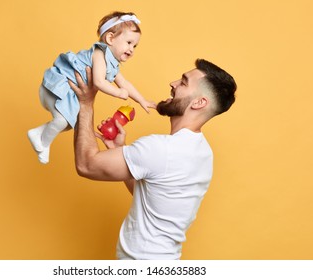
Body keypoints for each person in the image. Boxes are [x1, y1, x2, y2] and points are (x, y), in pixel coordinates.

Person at [70, 58, 237, 260]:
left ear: (199, 102)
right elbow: (155, 198)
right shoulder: (202, 153)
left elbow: (86, 165)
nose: (173, 84)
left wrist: (85, 105)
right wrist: (121, 150)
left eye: (183, 82)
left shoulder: (161, 148)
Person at [28, 11, 155, 164]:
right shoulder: (99, 54)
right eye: (129, 43)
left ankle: (38, 135)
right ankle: (43, 143)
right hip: (56, 88)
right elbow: (99, 82)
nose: (132, 49)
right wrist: (118, 92)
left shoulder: (112, 64)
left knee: (69, 123)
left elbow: (125, 83)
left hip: (67, 93)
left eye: (135, 45)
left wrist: (142, 100)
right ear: (110, 38)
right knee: (62, 121)